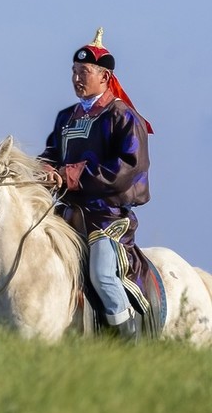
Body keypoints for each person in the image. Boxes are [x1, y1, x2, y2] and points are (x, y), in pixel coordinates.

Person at [40, 28, 152, 341]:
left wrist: (69, 176)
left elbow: (127, 168)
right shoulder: (66, 117)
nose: (77, 78)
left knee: (102, 275)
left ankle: (130, 342)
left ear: (104, 77)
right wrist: (44, 170)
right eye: (74, 72)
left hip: (107, 216)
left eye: (84, 72)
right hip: (67, 212)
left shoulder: (123, 116)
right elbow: (50, 152)